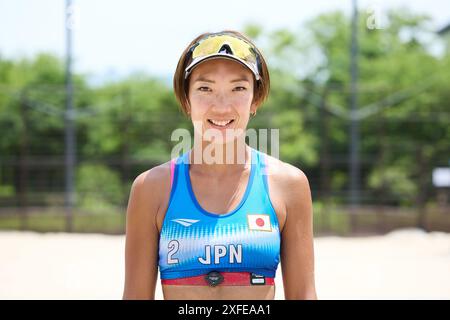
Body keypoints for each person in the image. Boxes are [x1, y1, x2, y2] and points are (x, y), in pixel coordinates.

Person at [122, 30, 317, 300]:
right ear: (186, 99)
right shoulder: (151, 188)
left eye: (238, 88)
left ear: (256, 99)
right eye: (205, 88)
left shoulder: (288, 184)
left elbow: (304, 296)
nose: (222, 107)